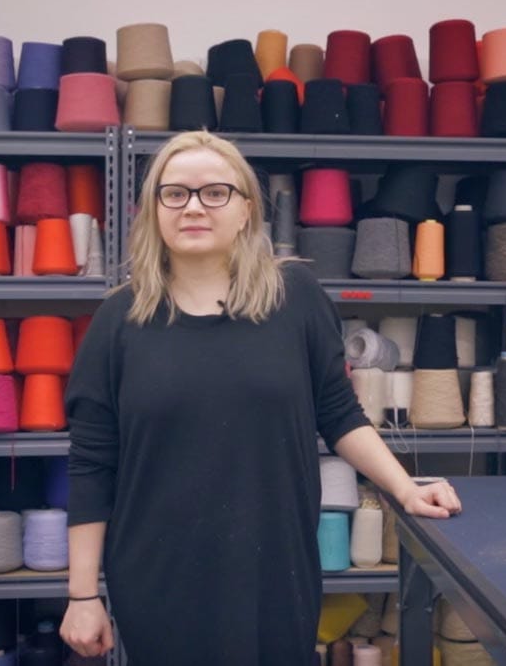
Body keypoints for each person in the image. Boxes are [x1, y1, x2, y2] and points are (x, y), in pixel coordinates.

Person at [59, 130, 462, 665]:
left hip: (274, 566)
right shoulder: (119, 320)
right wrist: (83, 594)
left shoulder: (294, 299)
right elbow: (91, 462)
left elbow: (340, 414)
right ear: (153, 210)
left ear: (246, 209)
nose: (194, 207)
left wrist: (402, 489)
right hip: (158, 574)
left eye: (215, 192)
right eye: (174, 193)